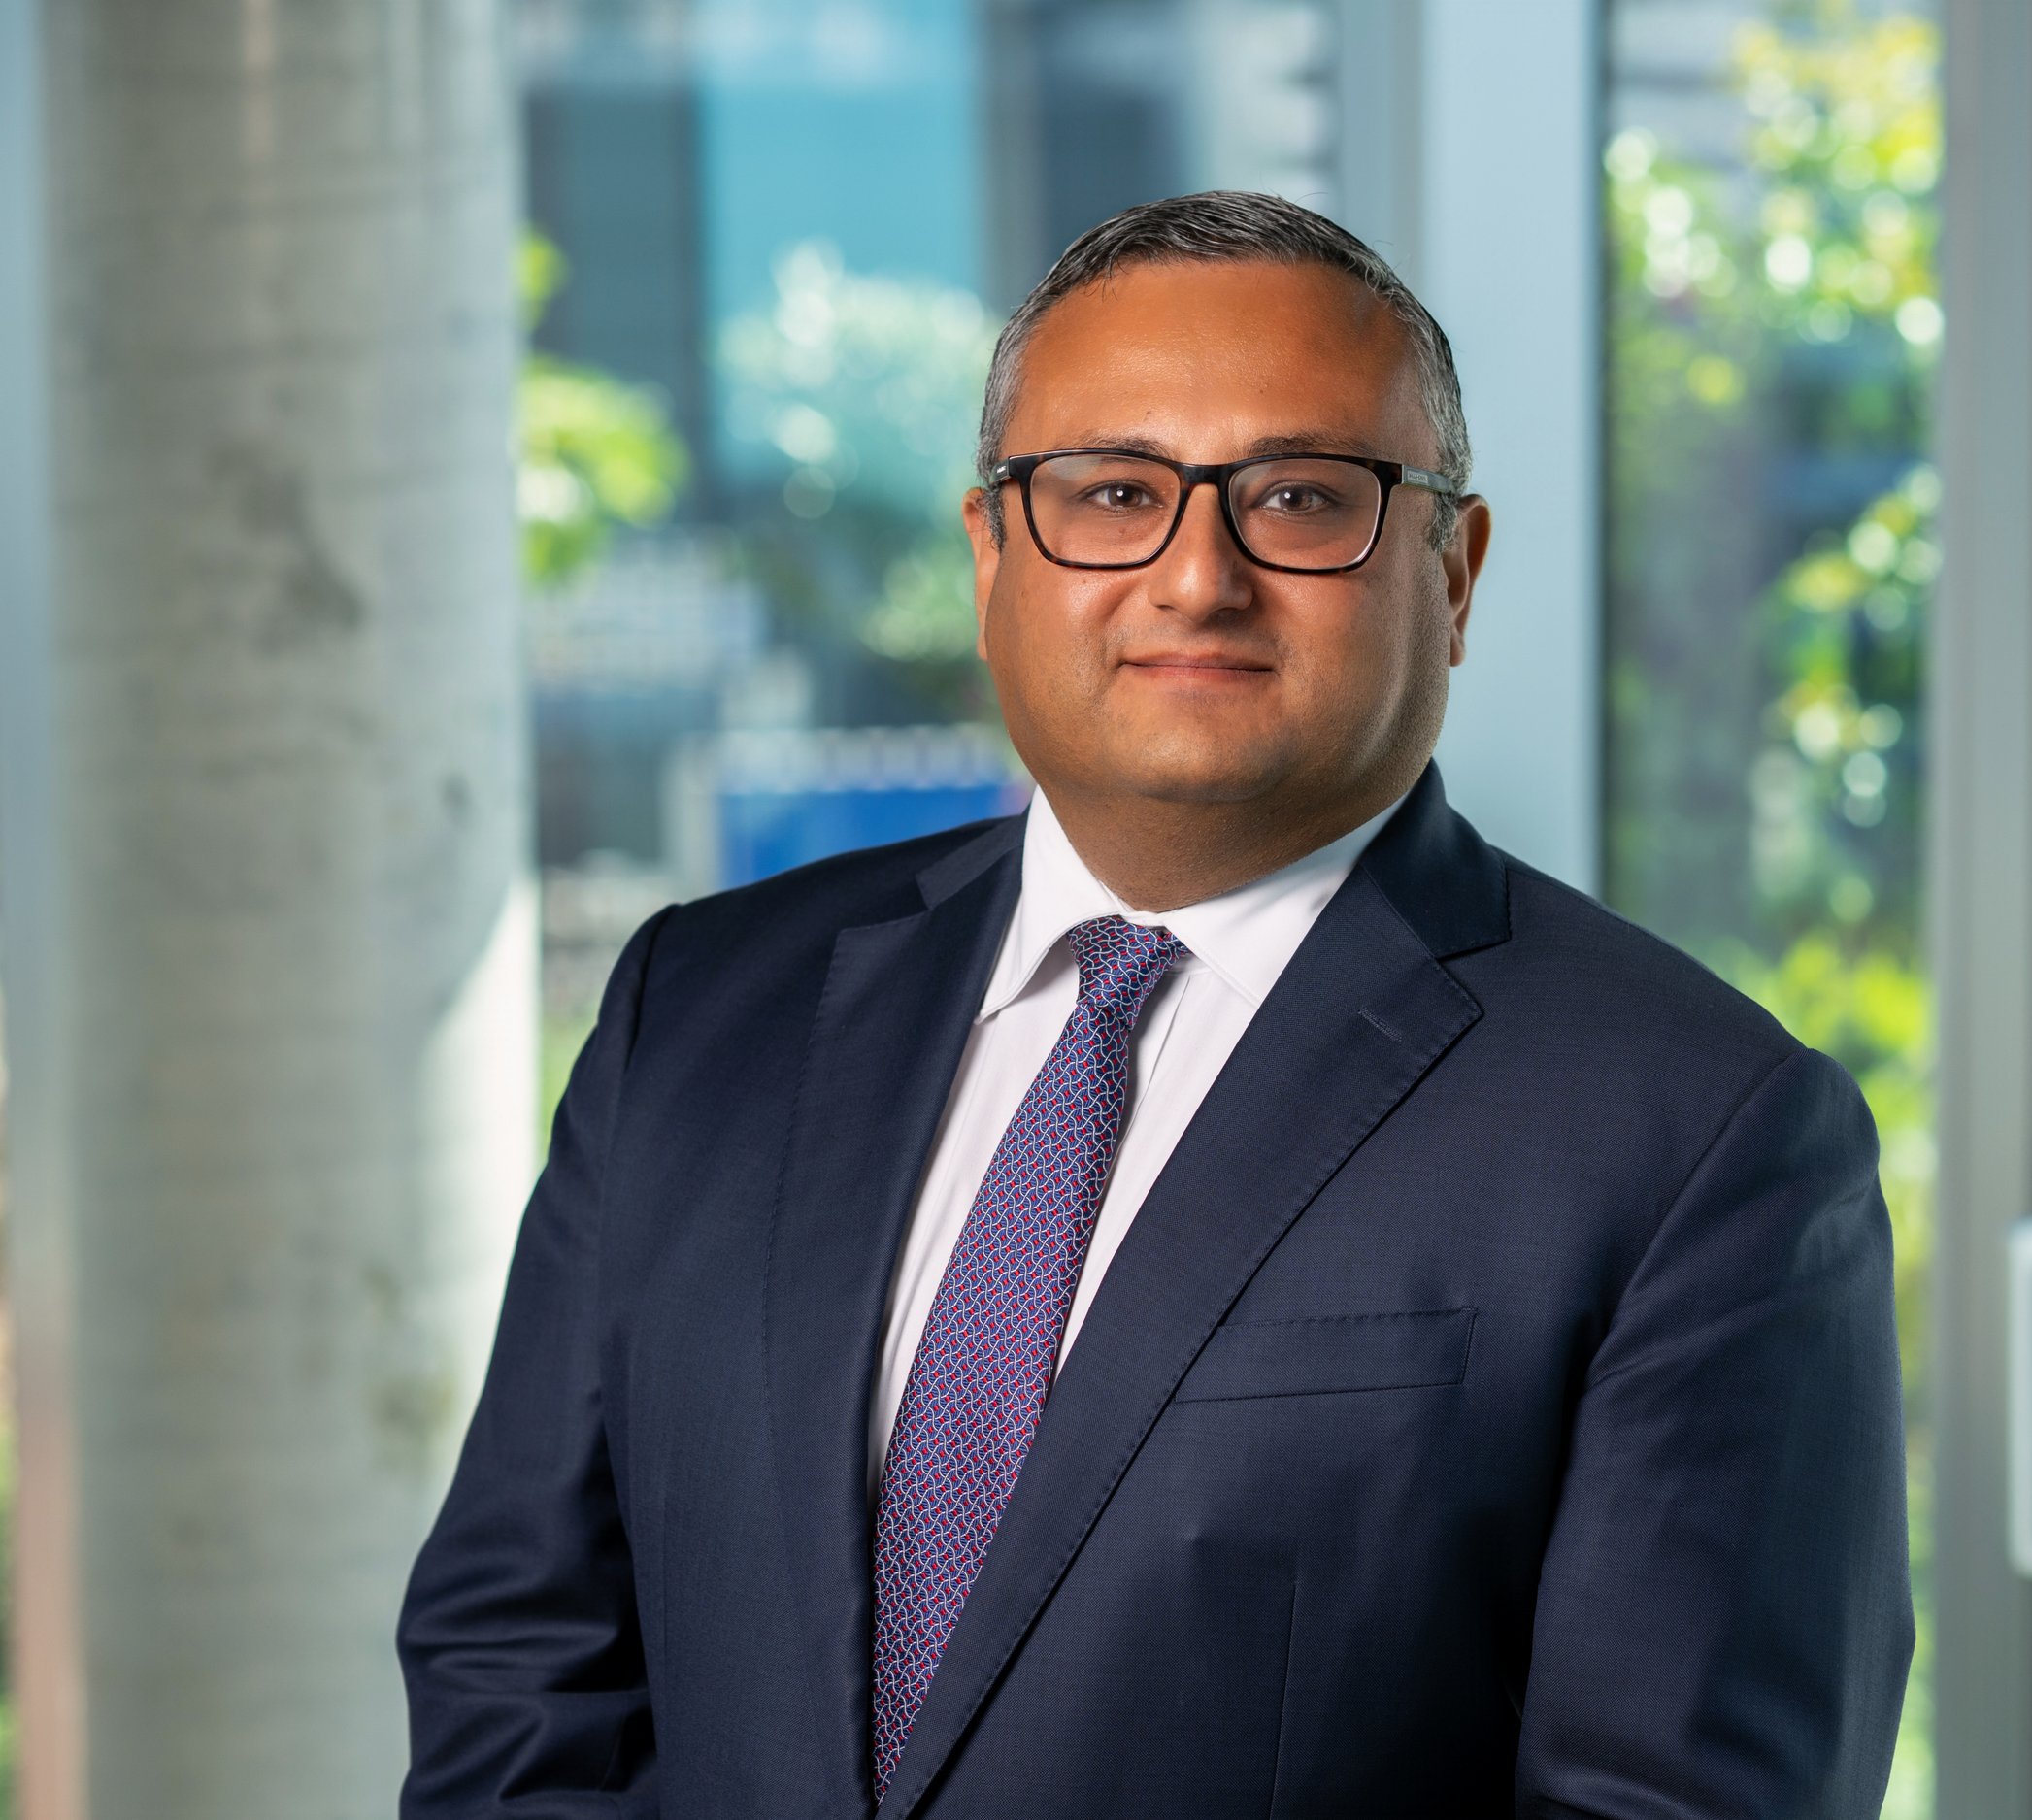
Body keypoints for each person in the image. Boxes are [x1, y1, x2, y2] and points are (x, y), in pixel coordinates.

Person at [399, 190, 1912, 1820]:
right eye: (1113, 492)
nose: (1199, 576)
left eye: (1301, 497)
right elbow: (522, 1668)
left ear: (1454, 575)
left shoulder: (1695, 1134)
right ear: (991, 557)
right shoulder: (695, 1012)